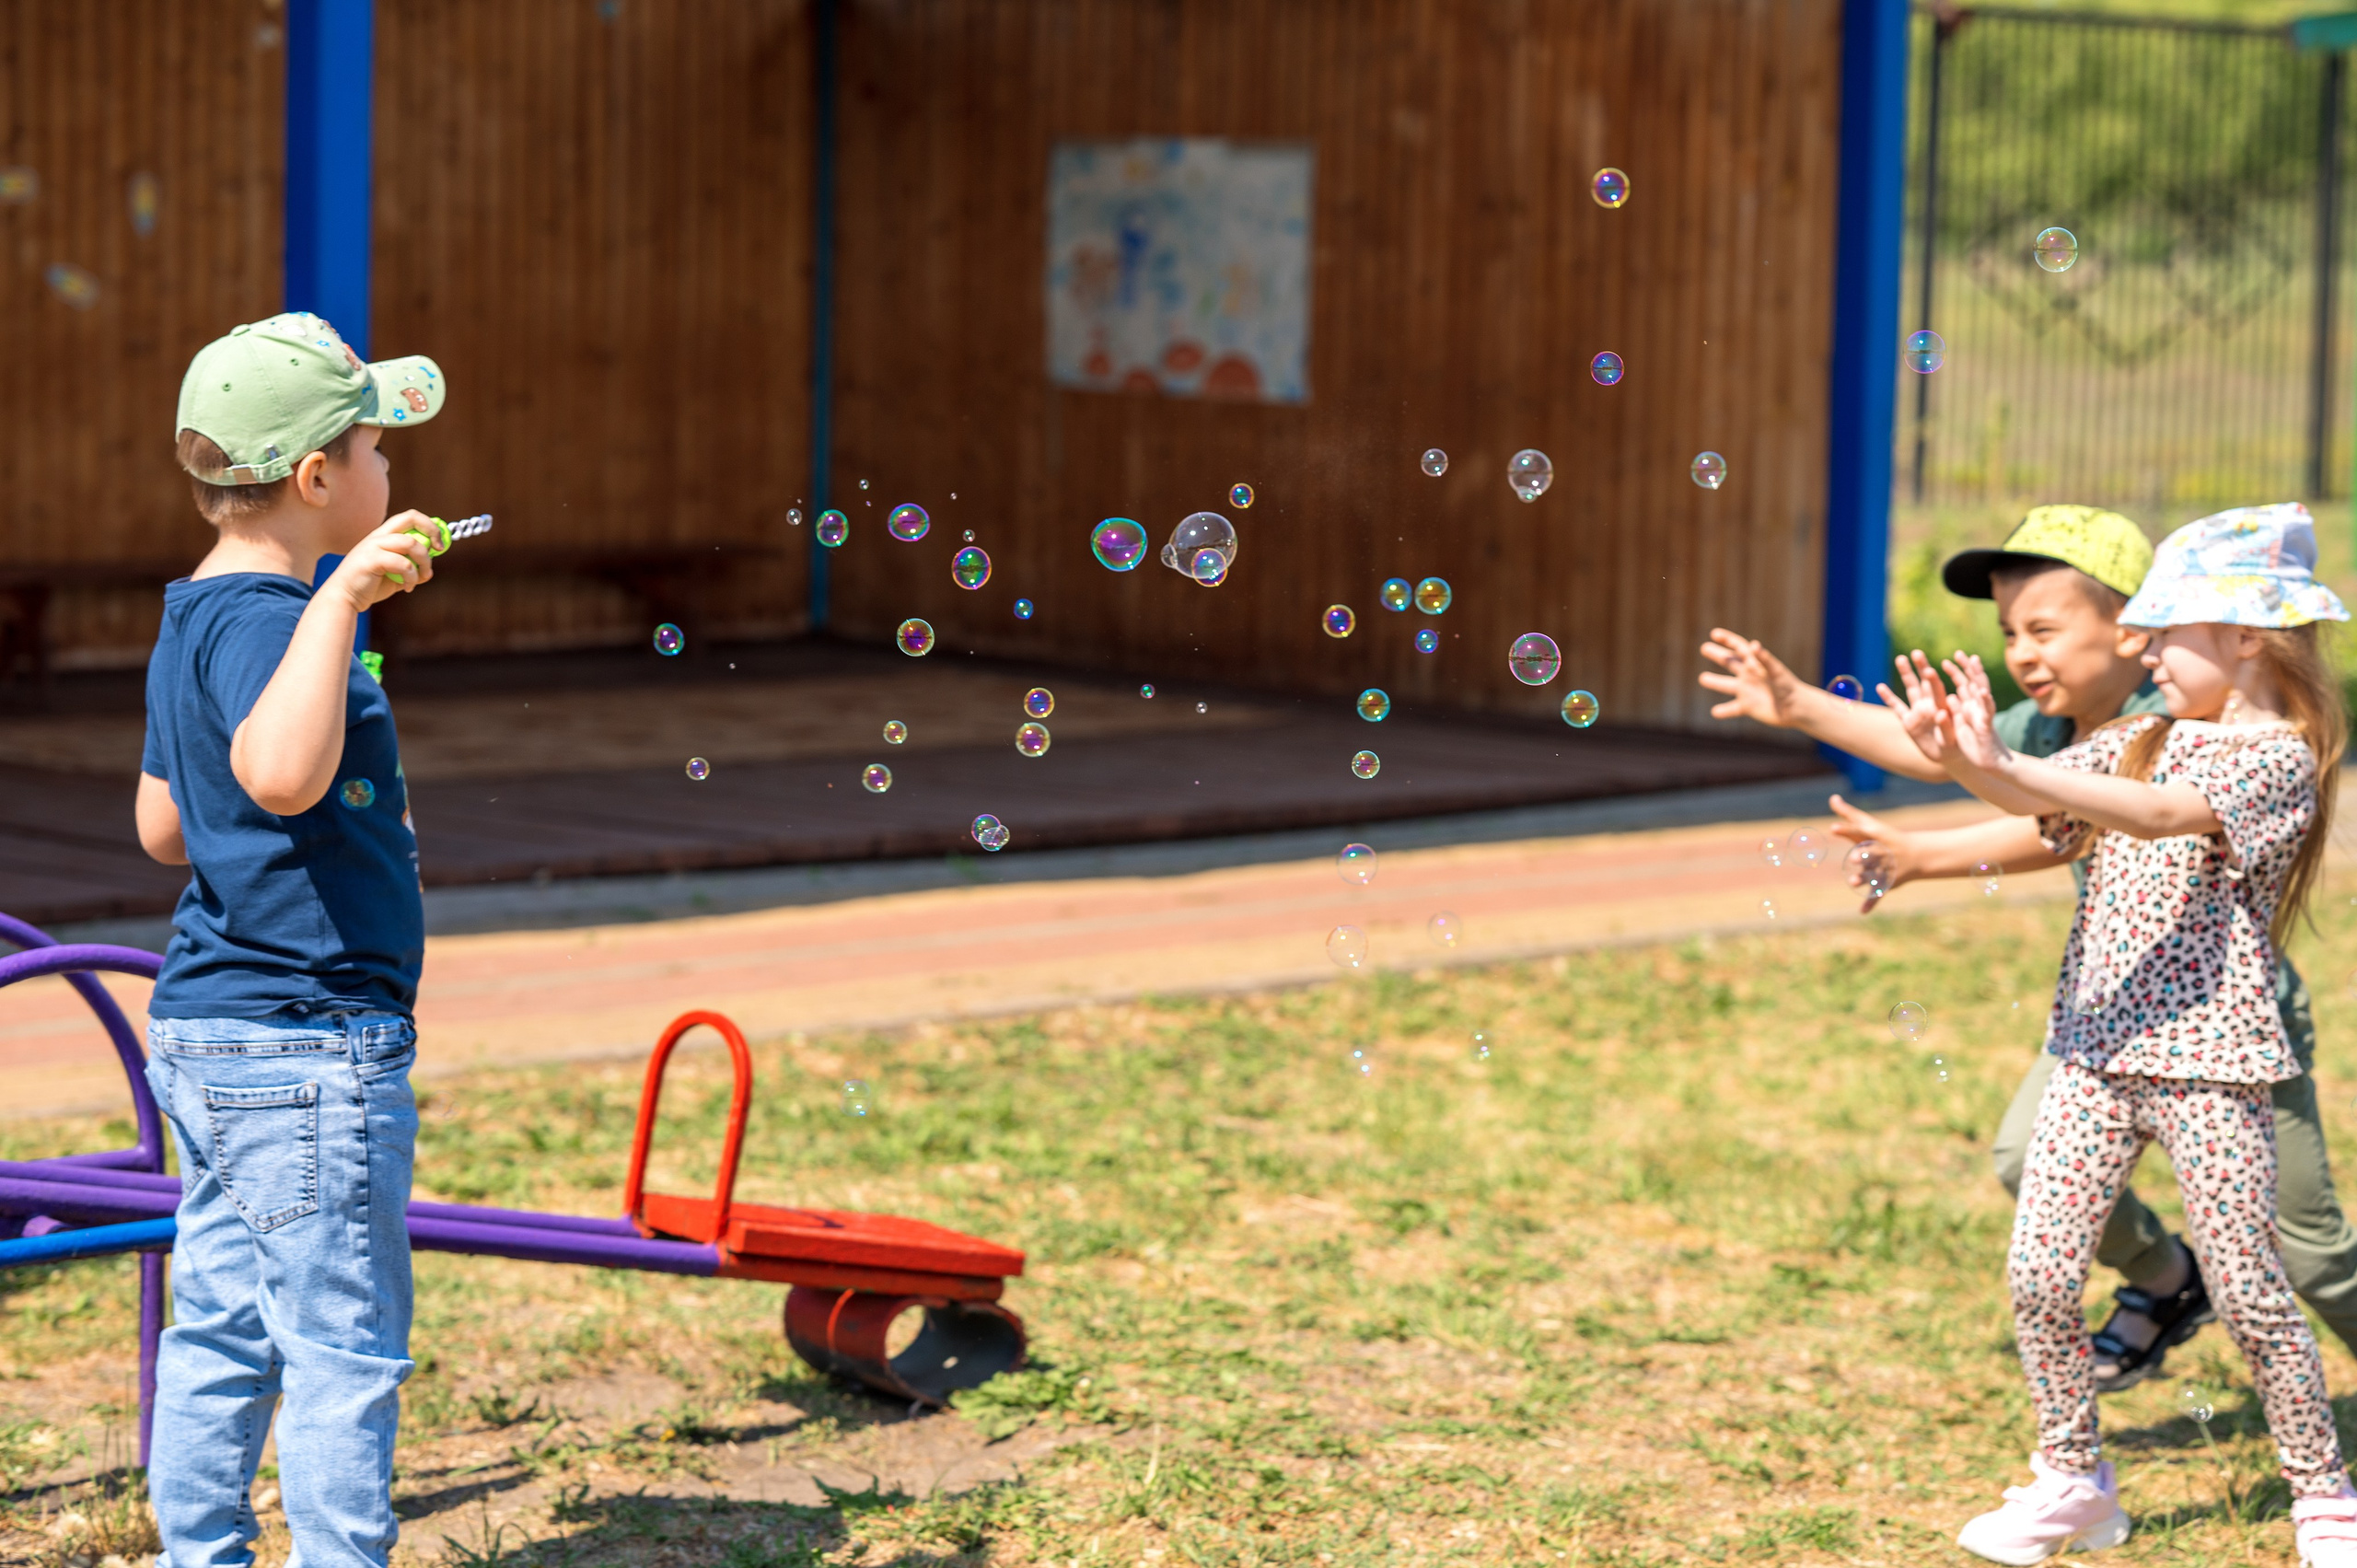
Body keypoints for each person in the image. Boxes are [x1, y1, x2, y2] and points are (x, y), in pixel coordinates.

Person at [1696, 505, 2357, 1393]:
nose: (2020, 652)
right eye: (2008, 631)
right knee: (2021, 1154)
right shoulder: (2051, 728)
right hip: (2113, 1011)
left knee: (2304, 1253)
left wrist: (1933, 848)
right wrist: (1800, 704)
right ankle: (2168, 1280)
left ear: (2131, 633)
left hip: (2227, 1029)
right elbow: (1946, 759)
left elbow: (2078, 823)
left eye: (2044, 627)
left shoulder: (2191, 725)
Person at [1880, 505, 2356, 1562]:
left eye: (2163, 627)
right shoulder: (2139, 732)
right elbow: (2039, 799)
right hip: (2094, 1047)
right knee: (2040, 1274)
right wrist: (1958, 755)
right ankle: (2072, 1479)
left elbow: (2146, 813)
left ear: (2245, 634)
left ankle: (2321, 1490)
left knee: (2249, 1289)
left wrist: (1995, 767)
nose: (2140, 646)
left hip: (2208, 1060)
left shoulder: (2277, 758)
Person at [135, 312, 448, 1568]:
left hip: (209, 1031)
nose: (390, 473)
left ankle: (197, 1551)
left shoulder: (192, 612)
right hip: (307, 1043)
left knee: (217, 1321)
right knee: (341, 1343)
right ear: (320, 477)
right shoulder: (279, 613)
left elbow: (165, 822)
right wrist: (347, 599)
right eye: (377, 446)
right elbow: (272, 772)